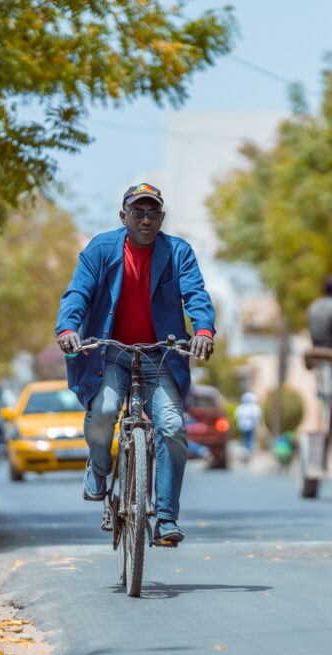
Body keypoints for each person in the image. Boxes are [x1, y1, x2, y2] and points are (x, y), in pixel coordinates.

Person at [55, 182, 215, 543]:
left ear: (162, 217)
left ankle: (166, 518)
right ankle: (98, 467)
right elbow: (78, 292)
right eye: (138, 212)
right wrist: (67, 327)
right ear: (123, 215)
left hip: (161, 353)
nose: (146, 219)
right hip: (111, 351)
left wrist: (203, 329)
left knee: (172, 427)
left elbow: (195, 294)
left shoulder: (178, 252)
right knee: (106, 409)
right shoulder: (100, 249)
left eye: (153, 212)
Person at [234, 392, 262, 457]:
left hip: (243, 426)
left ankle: (246, 453)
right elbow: (257, 417)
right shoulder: (254, 407)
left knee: (245, 439)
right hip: (250, 426)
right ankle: (248, 453)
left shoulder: (241, 407)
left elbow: (237, 416)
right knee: (249, 439)